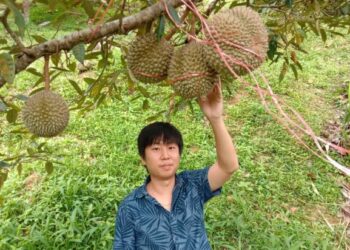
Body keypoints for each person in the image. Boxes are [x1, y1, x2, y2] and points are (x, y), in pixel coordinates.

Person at [113, 82, 239, 249]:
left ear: (179, 153)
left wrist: (215, 118)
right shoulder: (130, 208)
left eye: (171, 148)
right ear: (143, 158)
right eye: (156, 149)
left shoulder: (193, 185)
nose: (165, 156)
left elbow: (228, 167)